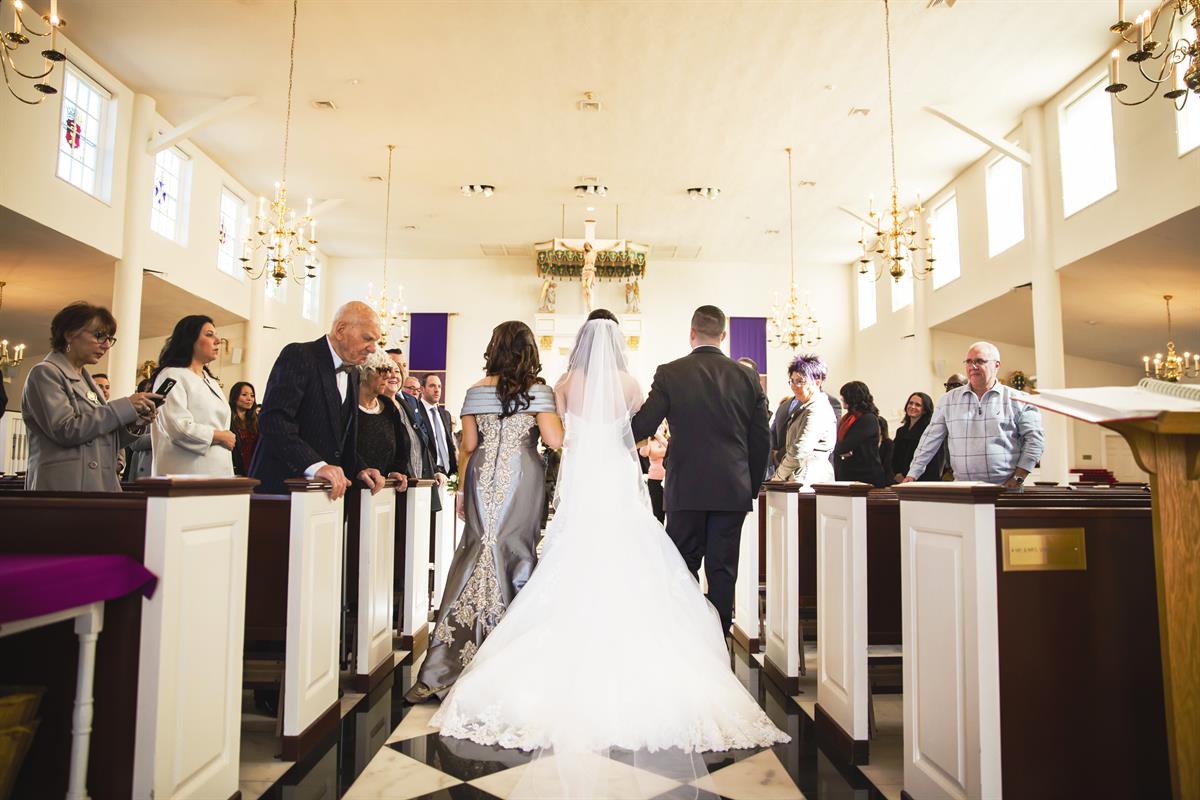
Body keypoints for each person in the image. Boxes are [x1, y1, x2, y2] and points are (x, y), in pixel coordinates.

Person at [430, 317, 787, 760]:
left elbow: (558, 438)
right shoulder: (632, 384)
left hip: (583, 475)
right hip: (620, 475)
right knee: (668, 560)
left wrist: (582, 437)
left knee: (574, 551)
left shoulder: (563, 384)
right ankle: (715, 648)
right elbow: (640, 429)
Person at [407, 321, 562, 701]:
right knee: (517, 550)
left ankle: (446, 663)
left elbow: (469, 446)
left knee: (476, 549)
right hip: (521, 478)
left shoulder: (475, 391)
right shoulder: (538, 392)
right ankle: (510, 657)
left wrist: (462, 491)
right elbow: (554, 440)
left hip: (480, 478)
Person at [629, 305, 770, 635]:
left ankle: (686, 636)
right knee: (723, 570)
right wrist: (749, 487)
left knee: (682, 565)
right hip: (731, 489)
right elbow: (761, 439)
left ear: (691, 333)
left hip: (686, 487)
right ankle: (718, 640)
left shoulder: (670, 373)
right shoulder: (747, 376)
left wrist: (611, 426)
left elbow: (644, 425)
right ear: (723, 335)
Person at [249, 301, 391, 499]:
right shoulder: (300, 355)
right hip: (283, 490)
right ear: (340, 330)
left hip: (325, 495)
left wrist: (360, 468)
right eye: (367, 338)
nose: (373, 349)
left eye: (375, 341)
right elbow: (274, 421)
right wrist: (315, 466)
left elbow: (340, 438)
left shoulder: (353, 374)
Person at [21, 302, 159, 491]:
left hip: (98, 482)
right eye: (99, 336)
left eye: (109, 339)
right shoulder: (45, 373)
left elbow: (103, 439)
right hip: (64, 485)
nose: (106, 345)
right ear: (69, 334)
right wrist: (125, 406)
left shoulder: (87, 381)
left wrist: (135, 422)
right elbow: (66, 431)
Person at [903, 342, 1045, 488]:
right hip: (963, 489)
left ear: (996, 365)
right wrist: (912, 474)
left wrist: (1018, 478)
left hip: (1005, 489)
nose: (973, 366)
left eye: (979, 361)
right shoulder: (948, 400)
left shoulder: (1020, 400)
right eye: (969, 361)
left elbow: (1035, 441)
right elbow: (930, 439)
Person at [150, 315, 236, 477]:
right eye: (209, 335)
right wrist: (219, 436)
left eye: (216, 335)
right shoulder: (171, 375)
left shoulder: (210, 380)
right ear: (190, 339)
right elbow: (177, 427)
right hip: (185, 472)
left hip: (218, 471)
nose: (218, 340)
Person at [770, 353, 837, 486]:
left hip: (810, 478)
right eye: (792, 381)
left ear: (817, 382)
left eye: (800, 381)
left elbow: (800, 449)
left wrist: (777, 477)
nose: (794, 386)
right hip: (801, 475)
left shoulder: (817, 409)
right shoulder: (806, 407)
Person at [354, 351, 411, 491]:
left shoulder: (389, 407)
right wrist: (359, 469)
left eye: (390, 370)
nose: (388, 376)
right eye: (382, 370)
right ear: (364, 372)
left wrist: (395, 471)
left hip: (386, 490)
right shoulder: (347, 407)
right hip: (354, 487)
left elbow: (402, 447)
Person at [833, 380, 889, 487]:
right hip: (848, 473)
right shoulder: (848, 418)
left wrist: (841, 450)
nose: (842, 399)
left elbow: (847, 445)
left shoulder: (868, 419)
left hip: (866, 475)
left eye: (845, 396)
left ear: (853, 397)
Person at [891, 391, 945, 483]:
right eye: (910, 403)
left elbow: (932, 460)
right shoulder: (901, 431)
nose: (912, 407)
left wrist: (906, 475)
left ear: (925, 410)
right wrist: (896, 474)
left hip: (922, 480)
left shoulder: (930, 432)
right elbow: (895, 456)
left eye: (918, 405)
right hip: (899, 480)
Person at [419, 373, 457, 476]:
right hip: (427, 473)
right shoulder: (415, 411)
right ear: (422, 389)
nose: (437, 390)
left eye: (439, 386)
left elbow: (449, 445)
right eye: (432, 386)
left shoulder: (446, 415)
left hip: (448, 473)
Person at [638, 422, 669, 522]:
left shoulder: (668, 440)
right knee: (658, 512)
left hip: (668, 480)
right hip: (654, 479)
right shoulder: (650, 441)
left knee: (670, 512)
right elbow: (643, 453)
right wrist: (647, 437)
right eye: (657, 425)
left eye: (661, 425)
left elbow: (671, 449)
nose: (659, 427)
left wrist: (660, 438)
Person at [229, 381, 259, 477]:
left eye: (252, 395)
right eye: (244, 395)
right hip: (235, 468)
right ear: (235, 398)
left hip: (254, 468)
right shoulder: (228, 419)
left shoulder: (257, 420)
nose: (249, 399)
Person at [878, 417, 895, 484]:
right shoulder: (867, 443)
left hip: (886, 480)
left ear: (882, 428)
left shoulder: (888, 443)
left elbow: (887, 464)